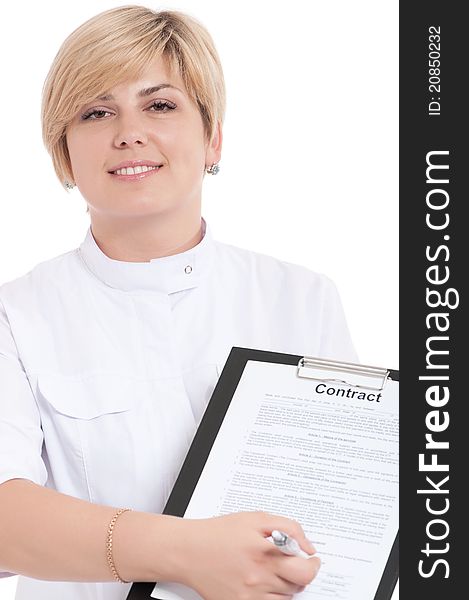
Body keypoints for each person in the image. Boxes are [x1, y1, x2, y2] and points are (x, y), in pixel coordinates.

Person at [0, 5, 357, 600]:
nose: (128, 132)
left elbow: (343, 511)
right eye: (96, 112)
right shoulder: (15, 317)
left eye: (160, 104)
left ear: (213, 138)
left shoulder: (304, 300)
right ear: (63, 155)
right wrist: (190, 553)